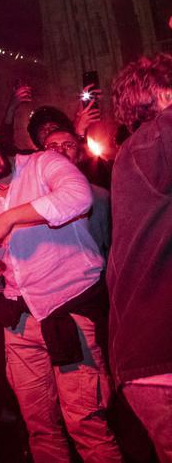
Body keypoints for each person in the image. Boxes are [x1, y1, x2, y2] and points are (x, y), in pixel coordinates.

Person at [0, 120, 122, 463]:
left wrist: (11, 217)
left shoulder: (43, 163)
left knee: (86, 424)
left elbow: (78, 197)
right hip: (22, 323)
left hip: (69, 311)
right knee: (39, 426)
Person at [109, 53, 172, 462]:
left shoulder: (137, 151)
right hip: (160, 353)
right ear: (163, 93)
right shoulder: (156, 140)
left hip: (147, 356)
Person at [43, 128, 111, 255]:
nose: (60, 150)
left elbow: (109, 244)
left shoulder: (101, 196)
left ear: (79, 156)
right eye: (52, 146)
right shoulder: (32, 196)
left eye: (68, 145)